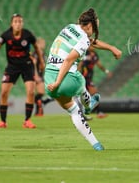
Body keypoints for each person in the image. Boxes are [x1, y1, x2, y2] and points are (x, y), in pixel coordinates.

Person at [44, 8, 122, 151]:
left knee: (74, 111)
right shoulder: (83, 39)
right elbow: (68, 60)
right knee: (80, 79)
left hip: (48, 79)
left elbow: (92, 43)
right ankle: (88, 105)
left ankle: (96, 144)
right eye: (95, 27)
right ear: (90, 25)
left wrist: (111, 48)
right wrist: (58, 82)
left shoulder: (69, 27)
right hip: (62, 80)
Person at [0, 13, 45, 129]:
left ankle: (27, 121)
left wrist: (42, 62)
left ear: (22, 23)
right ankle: (3, 121)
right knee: (4, 92)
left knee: (30, 92)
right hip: (12, 66)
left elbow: (37, 48)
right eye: (15, 21)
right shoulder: (6, 35)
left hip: (27, 65)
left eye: (20, 21)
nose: (18, 24)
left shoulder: (28, 34)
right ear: (11, 24)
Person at [78, 46, 113, 119]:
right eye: (92, 45)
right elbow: (80, 65)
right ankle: (98, 112)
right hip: (85, 78)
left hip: (89, 77)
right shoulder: (84, 53)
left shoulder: (94, 54)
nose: (93, 47)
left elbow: (99, 65)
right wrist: (77, 74)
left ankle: (80, 113)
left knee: (84, 96)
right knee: (93, 94)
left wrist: (106, 71)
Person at [30, 37, 52, 116]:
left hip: (41, 75)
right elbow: (33, 65)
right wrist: (35, 75)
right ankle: (39, 109)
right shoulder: (35, 53)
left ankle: (39, 109)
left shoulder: (43, 53)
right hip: (36, 75)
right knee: (40, 93)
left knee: (40, 94)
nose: (43, 45)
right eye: (42, 43)